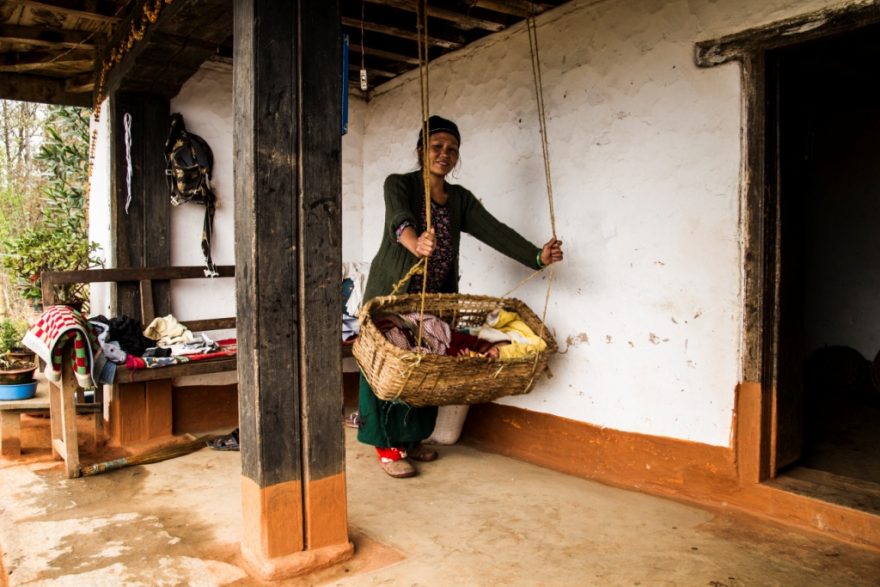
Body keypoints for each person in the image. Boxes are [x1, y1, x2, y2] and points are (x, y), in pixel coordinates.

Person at [357, 115, 564, 478]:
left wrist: (536, 256)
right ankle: (387, 446)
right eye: (437, 147)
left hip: (436, 298)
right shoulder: (399, 184)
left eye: (452, 149)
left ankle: (413, 438)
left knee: (430, 364)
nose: (444, 154)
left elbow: (494, 230)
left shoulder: (460, 199)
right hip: (395, 294)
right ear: (421, 150)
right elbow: (399, 219)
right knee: (391, 364)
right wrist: (414, 243)